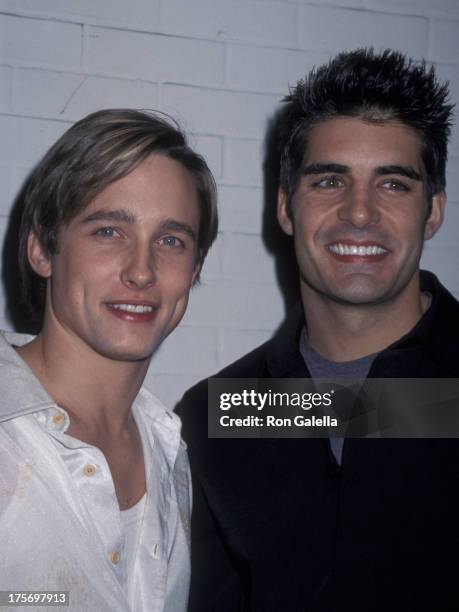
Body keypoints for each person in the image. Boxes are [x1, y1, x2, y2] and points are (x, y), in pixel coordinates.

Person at [177, 49, 459, 611]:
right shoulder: (219, 414)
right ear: (286, 207)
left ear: (433, 210)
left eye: (394, 184)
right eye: (330, 181)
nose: (359, 212)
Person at [0, 109, 217, 612]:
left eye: (170, 240)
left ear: (195, 269)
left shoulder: (173, 448)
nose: (142, 271)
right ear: (42, 249)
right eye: (108, 232)